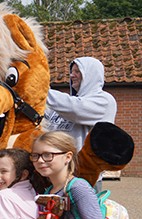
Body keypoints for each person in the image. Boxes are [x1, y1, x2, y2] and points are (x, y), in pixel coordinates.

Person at [43, 56, 117, 192]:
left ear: (90, 74)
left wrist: (40, 91)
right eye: (72, 71)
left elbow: (75, 109)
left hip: (84, 178)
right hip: (54, 176)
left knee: (82, 214)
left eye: (77, 71)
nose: (71, 75)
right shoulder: (67, 103)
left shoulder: (105, 101)